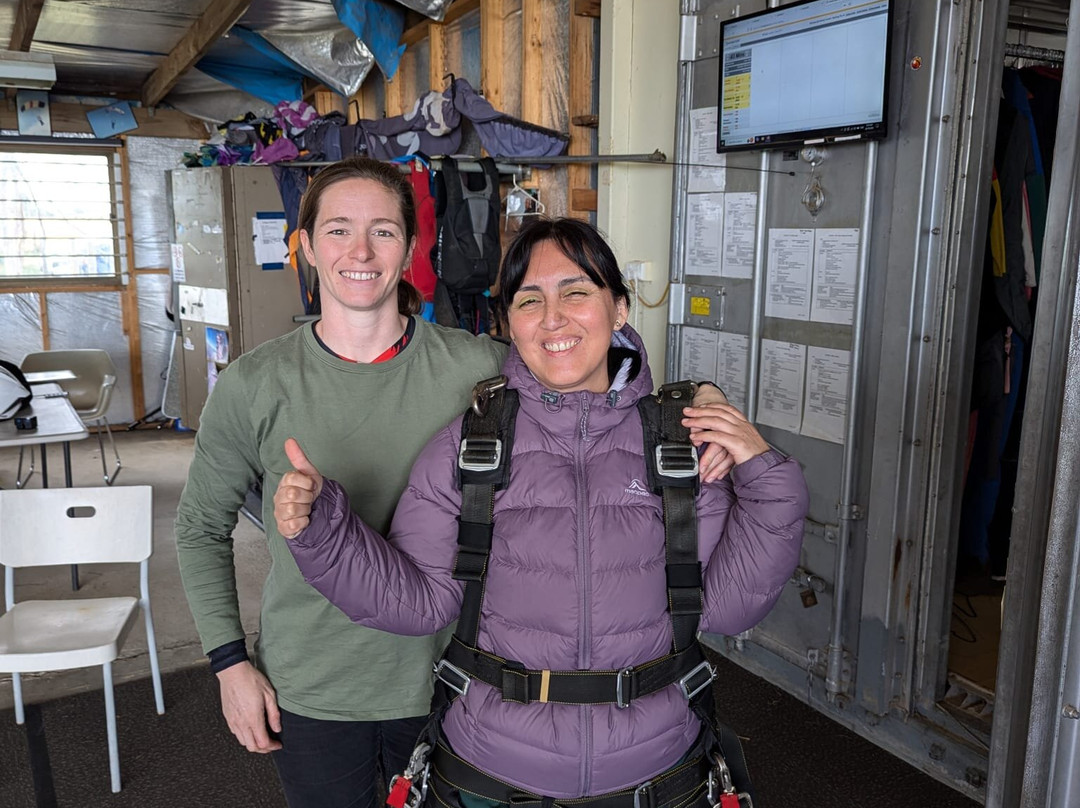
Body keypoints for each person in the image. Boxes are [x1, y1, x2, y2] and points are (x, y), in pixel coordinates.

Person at [175, 160, 727, 808]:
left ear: (411, 249)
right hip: (314, 689)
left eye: (382, 231)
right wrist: (229, 664)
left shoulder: (477, 367)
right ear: (304, 246)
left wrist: (695, 402)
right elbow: (199, 530)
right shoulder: (252, 383)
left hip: (457, 684)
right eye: (338, 230)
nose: (359, 251)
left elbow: (589, 363)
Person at [273, 217, 809, 808]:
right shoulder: (472, 445)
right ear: (510, 325)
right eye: (530, 300)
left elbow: (731, 607)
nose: (553, 318)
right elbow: (421, 602)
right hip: (491, 777)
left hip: (658, 777)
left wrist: (767, 473)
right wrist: (323, 529)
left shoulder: (679, 445)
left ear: (619, 308)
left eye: (576, 292)